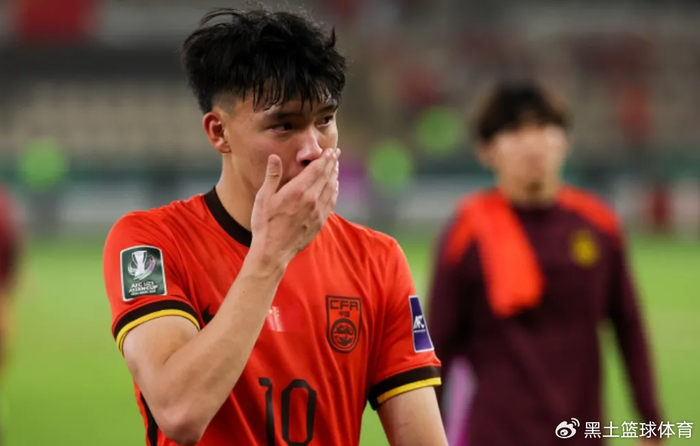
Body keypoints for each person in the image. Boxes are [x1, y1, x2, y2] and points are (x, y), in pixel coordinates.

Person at [102, 7, 447, 446]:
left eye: (325, 120)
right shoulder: (151, 243)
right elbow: (179, 412)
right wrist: (271, 254)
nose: (313, 149)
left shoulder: (377, 260)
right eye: (284, 125)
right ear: (219, 132)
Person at [427, 81, 662, 446]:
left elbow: (629, 328)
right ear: (485, 151)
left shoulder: (599, 226)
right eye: (514, 131)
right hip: (497, 436)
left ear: (566, 140)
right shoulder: (466, 233)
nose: (532, 143)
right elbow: (437, 348)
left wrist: (653, 425)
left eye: (544, 127)